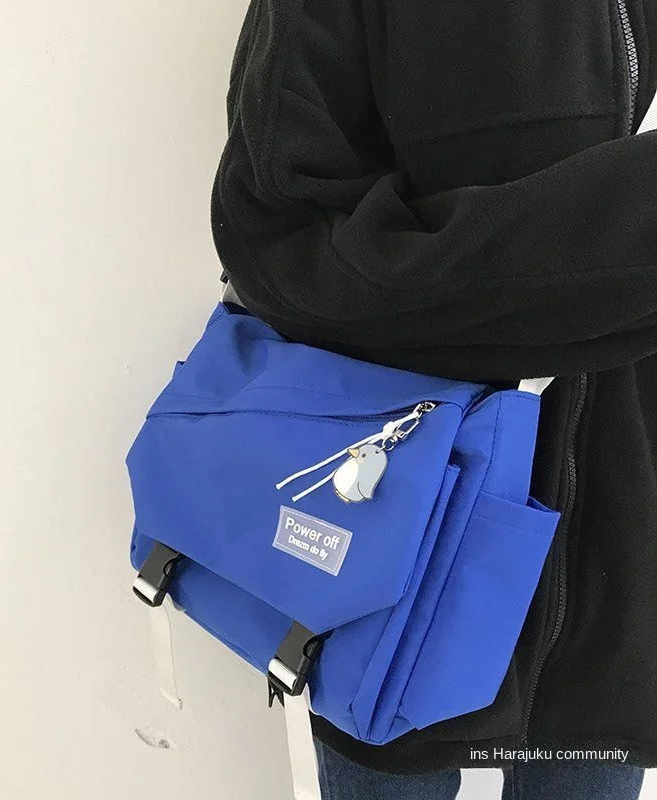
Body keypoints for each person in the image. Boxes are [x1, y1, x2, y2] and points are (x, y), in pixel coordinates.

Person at [210, 0, 657, 797]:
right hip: (406, 520)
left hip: (624, 532)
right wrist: (620, 228)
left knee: (588, 752)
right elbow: (282, 237)